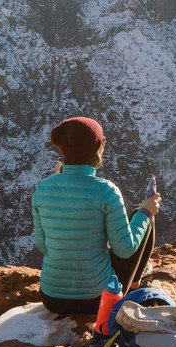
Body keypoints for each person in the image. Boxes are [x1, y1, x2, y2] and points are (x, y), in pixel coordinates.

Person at [32, 117, 161, 314]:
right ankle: (135, 284)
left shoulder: (43, 189)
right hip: (97, 300)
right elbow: (125, 250)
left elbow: (42, 245)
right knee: (141, 215)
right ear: (98, 149)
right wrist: (146, 210)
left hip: (51, 298)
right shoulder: (106, 190)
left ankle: (134, 281)